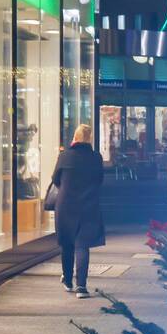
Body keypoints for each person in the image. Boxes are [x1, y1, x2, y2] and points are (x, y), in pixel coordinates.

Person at [51, 124, 105, 298]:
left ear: (74, 137)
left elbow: (55, 179)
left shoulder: (64, 156)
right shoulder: (96, 158)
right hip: (88, 205)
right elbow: (99, 181)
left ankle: (68, 280)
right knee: (82, 245)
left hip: (66, 205)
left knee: (67, 244)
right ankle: (81, 287)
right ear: (89, 139)